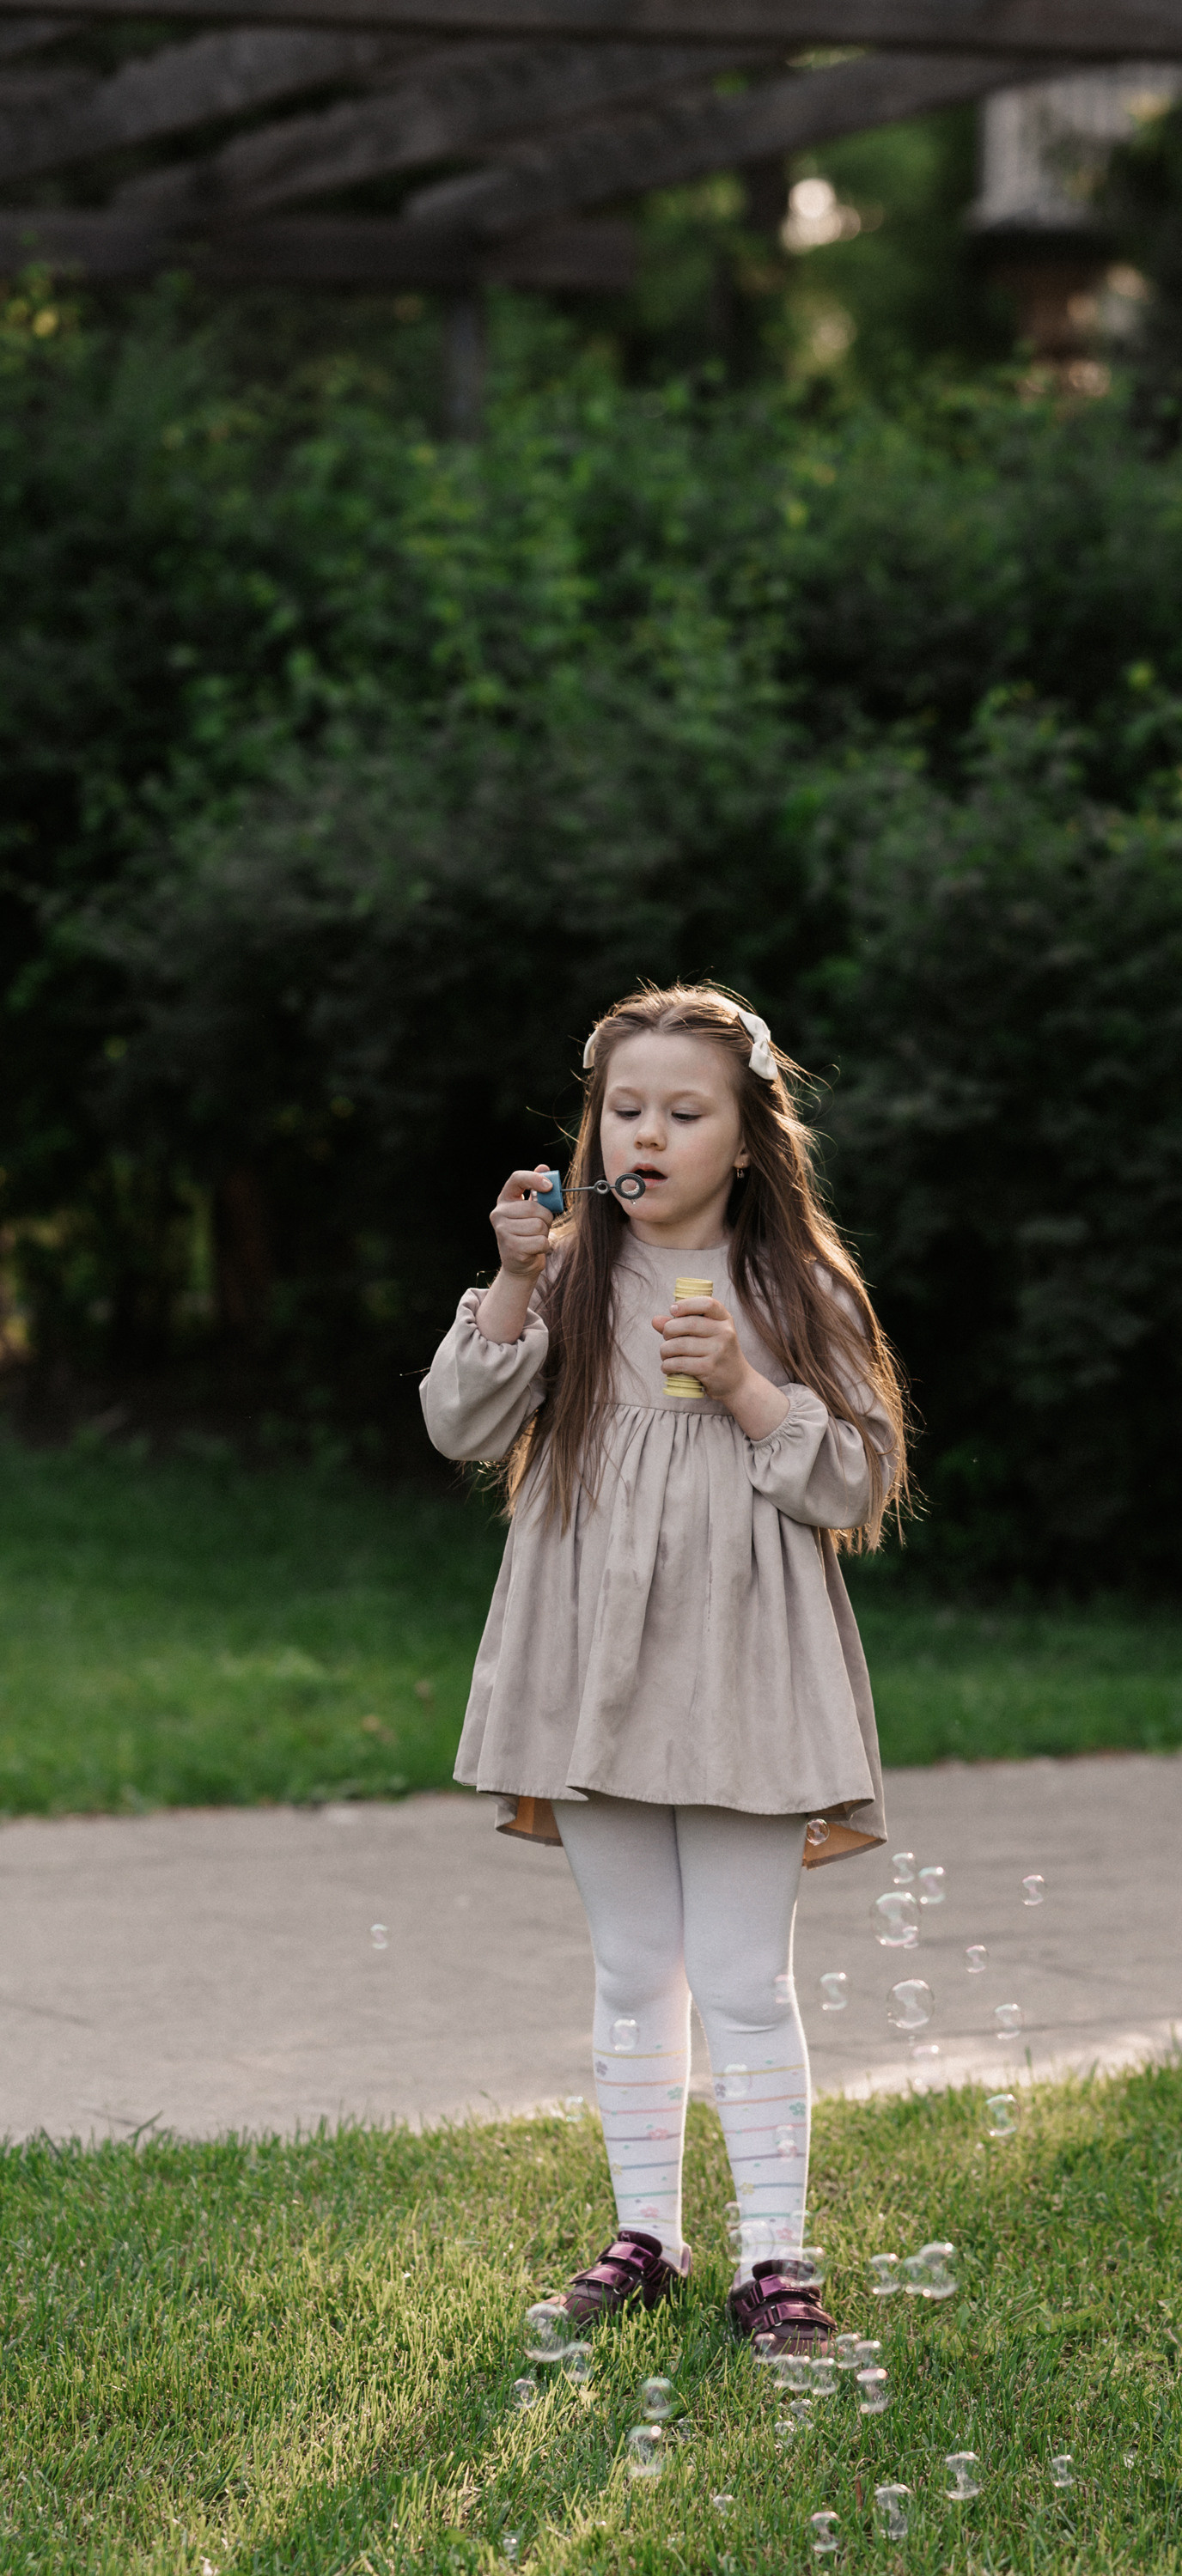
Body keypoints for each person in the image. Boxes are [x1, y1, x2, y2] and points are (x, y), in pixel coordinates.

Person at [419, 984, 906, 2355]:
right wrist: (514, 1277)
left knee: (744, 1977)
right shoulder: (567, 1277)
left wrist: (750, 1388)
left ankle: (776, 2259)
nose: (647, 1133)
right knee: (636, 1965)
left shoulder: (795, 1287)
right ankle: (647, 2233)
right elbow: (457, 1425)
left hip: (746, 1666)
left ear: (745, 1138)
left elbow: (859, 1482)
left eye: (682, 1113)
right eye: (623, 1109)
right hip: (593, 1663)